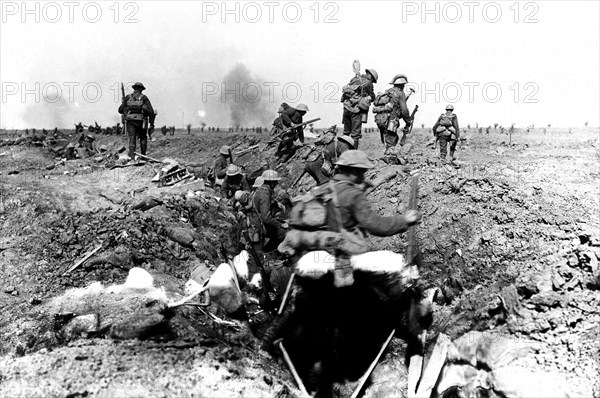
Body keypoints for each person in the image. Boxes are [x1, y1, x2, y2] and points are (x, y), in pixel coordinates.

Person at [248, 170, 287, 254]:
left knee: (256, 251)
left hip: (253, 224)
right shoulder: (265, 194)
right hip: (258, 227)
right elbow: (266, 218)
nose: (276, 183)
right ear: (271, 183)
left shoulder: (261, 190)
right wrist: (281, 225)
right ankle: (270, 254)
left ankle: (268, 254)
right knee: (283, 233)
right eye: (275, 181)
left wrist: (276, 204)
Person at [373, 75, 412, 151]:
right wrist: (408, 121)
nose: (404, 87)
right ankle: (389, 159)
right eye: (403, 85)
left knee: (390, 139)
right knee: (391, 141)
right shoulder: (400, 93)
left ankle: (388, 156)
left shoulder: (388, 91)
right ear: (401, 85)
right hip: (391, 120)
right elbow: (404, 110)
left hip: (382, 119)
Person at [118, 82, 155, 160]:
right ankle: (143, 157)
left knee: (132, 139)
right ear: (141, 89)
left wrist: (125, 105)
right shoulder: (144, 98)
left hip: (130, 121)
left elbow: (120, 110)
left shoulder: (128, 97)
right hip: (142, 122)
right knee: (143, 138)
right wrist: (151, 122)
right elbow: (151, 112)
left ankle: (132, 158)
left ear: (134, 89)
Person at [341, 68, 377, 148]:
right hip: (356, 110)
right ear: (371, 76)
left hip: (346, 107)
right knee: (355, 135)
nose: (372, 82)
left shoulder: (354, 79)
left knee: (346, 132)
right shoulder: (368, 83)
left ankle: (342, 151)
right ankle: (354, 155)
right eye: (373, 80)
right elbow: (372, 95)